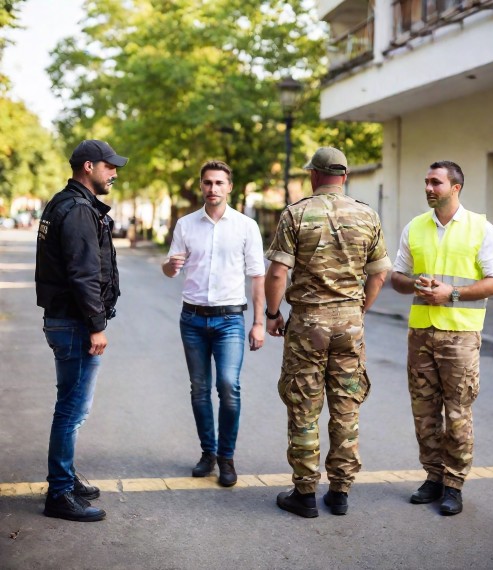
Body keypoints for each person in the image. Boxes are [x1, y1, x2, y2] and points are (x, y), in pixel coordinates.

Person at [265, 147, 392, 518]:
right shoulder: (367, 215)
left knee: (304, 405)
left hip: (307, 323)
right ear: (345, 176)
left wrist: (274, 314)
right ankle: (340, 492)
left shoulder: (297, 213)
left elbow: (276, 274)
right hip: (349, 322)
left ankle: (305, 494)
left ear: (314, 176)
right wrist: (358, 309)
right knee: (346, 405)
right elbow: (379, 272)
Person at [391, 160, 493, 516]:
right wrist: (415, 283)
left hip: (460, 335)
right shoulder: (415, 227)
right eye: (426, 182)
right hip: (421, 333)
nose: (428, 188)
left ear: (455, 187)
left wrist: (451, 293)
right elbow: (397, 277)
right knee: (424, 412)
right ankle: (433, 477)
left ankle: (454, 485)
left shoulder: (481, 228)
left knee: (457, 413)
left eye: (435, 183)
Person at [36, 139, 129, 522]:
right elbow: (82, 274)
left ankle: (64, 476)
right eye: (110, 167)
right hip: (75, 323)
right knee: (71, 410)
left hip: (67, 320)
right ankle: (59, 492)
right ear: (88, 167)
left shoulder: (66, 202)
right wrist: (96, 326)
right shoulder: (76, 209)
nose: (115, 173)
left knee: (72, 406)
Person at [162, 160, 265, 487]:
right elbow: (170, 270)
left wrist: (259, 322)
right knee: (199, 389)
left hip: (230, 319)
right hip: (191, 318)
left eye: (219, 183)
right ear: (201, 186)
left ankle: (227, 456)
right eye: (208, 183)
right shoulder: (185, 225)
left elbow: (258, 277)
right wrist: (170, 264)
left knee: (228, 386)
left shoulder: (246, 226)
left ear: (229, 187)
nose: (213, 188)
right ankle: (208, 453)